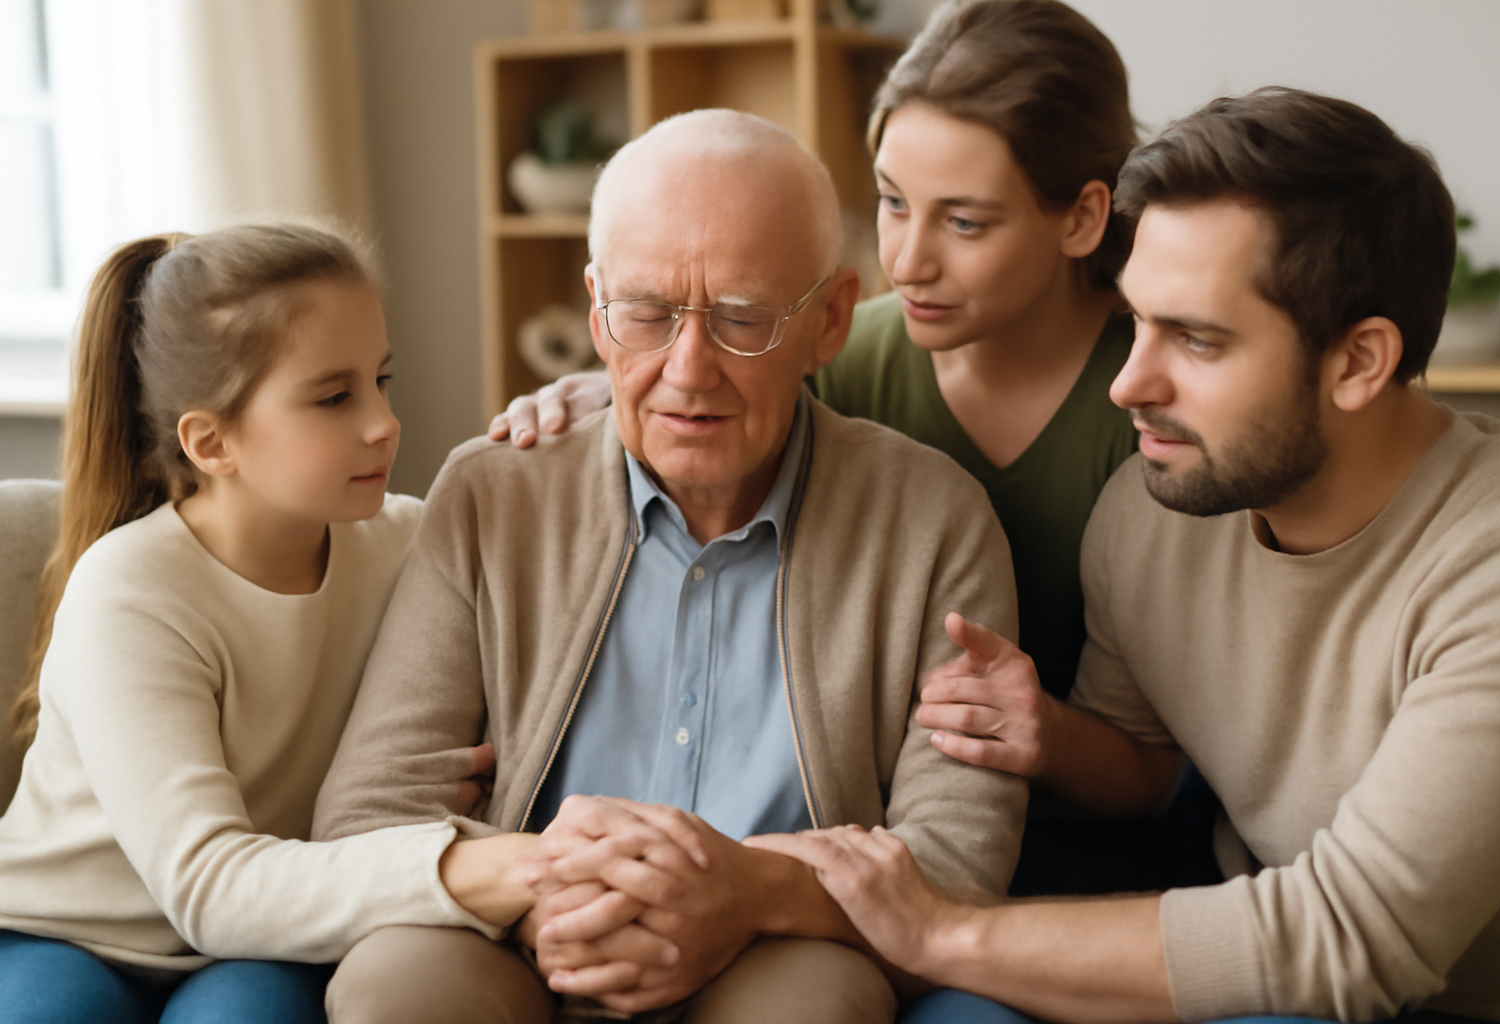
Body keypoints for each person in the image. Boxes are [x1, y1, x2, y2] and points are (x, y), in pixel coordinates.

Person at [756, 87, 1500, 1024]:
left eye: (1198, 340)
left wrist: (939, 932)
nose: (1129, 384)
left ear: (1359, 361)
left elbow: (1353, 940)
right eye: (1136, 323)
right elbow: (1147, 772)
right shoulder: (1151, 515)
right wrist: (1043, 732)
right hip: (1248, 950)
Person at [489, 0, 1221, 901]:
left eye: (964, 222)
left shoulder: (1152, 402)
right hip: (874, 841)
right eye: (891, 202)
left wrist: (1047, 735)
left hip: (1076, 859)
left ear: (1081, 217)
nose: (907, 259)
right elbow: (723, 384)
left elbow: (1161, 776)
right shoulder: (846, 350)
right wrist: (620, 382)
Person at [311, 109, 1027, 1024]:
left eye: (742, 319)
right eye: (646, 315)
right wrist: (551, 889)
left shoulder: (934, 520)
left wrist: (750, 892)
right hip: (523, 933)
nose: (688, 370)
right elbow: (367, 818)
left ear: (832, 318)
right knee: (390, 990)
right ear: (597, 311)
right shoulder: (495, 493)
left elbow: (956, 864)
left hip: (783, 947)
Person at [0, 223, 543, 1024]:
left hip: (262, 936)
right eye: (334, 397)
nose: (384, 423)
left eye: (381, 381)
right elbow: (208, 884)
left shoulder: (407, 543)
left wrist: (588, 400)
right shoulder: (129, 589)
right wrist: (473, 869)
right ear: (212, 442)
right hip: (63, 929)